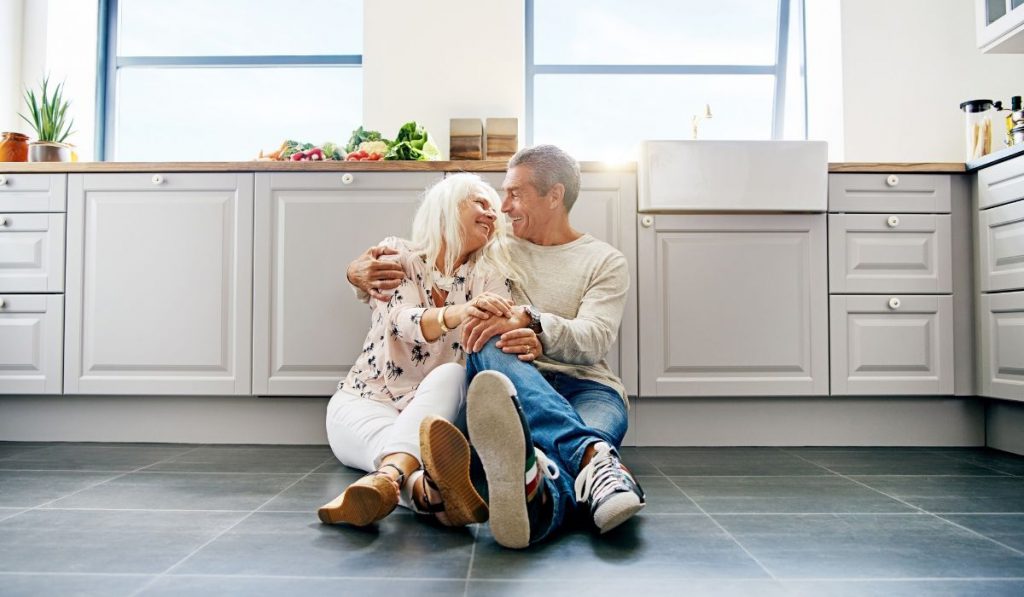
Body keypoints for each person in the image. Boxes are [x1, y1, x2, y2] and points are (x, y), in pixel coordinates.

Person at [346, 145, 645, 549]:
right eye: (498, 196)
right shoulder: (493, 246)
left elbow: (594, 338)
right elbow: (428, 261)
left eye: (514, 194)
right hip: (513, 382)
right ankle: (595, 459)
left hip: (587, 386)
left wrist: (534, 323)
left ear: (554, 196)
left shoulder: (604, 261)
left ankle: (539, 496)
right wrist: (356, 273)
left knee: (561, 445)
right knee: (486, 338)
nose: (501, 208)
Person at [319, 173, 522, 528]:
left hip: (436, 415)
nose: (492, 214)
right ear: (445, 207)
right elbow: (398, 320)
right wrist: (458, 313)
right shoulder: (398, 254)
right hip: (362, 402)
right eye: (480, 203)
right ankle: (430, 494)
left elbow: (490, 338)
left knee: (452, 375)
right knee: (399, 448)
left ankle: (388, 479)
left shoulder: (492, 277)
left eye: (494, 209)